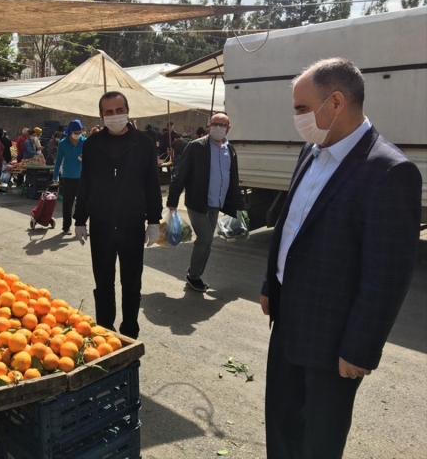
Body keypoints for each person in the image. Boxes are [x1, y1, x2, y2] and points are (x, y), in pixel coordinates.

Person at [260, 58, 422, 459]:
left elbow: (386, 274)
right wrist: (270, 284)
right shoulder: (311, 151)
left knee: (318, 442)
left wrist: (360, 348)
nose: (295, 117)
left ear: (335, 102)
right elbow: (289, 225)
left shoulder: (388, 171)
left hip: (334, 343)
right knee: (280, 426)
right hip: (289, 322)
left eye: (301, 108)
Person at [74, 91, 162, 339]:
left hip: (132, 224)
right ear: (101, 115)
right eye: (109, 112)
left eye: (119, 110)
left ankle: (130, 331)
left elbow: (152, 184)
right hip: (101, 224)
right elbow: (86, 182)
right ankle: (105, 330)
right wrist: (79, 219)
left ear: (127, 110)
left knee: (132, 283)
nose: (114, 116)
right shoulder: (92, 144)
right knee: (103, 283)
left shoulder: (143, 143)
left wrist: (154, 220)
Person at [167, 113, 242, 292]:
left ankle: (195, 273)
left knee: (206, 242)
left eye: (222, 125)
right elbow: (181, 173)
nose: (218, 128)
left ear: (228, 128)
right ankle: (194, 276)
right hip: (198, 202)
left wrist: (237, 203)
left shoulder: (229, 150)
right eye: (214, 124)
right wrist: (172, 201)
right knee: (206, 239)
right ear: (208, 126)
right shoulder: (196, 147)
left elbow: (233, 178)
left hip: (217, 203)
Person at [53, 120, 86, 234]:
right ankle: (66, 227)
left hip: (82, 176)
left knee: (82, 202)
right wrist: (55, 176)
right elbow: (58, 161)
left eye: (80, 132)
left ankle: (81, 224)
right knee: (68, 203)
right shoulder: (63, 143)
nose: (78, 134)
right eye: (76, 132)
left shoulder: (85, 142)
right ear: (71, 132)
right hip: (68, 177)